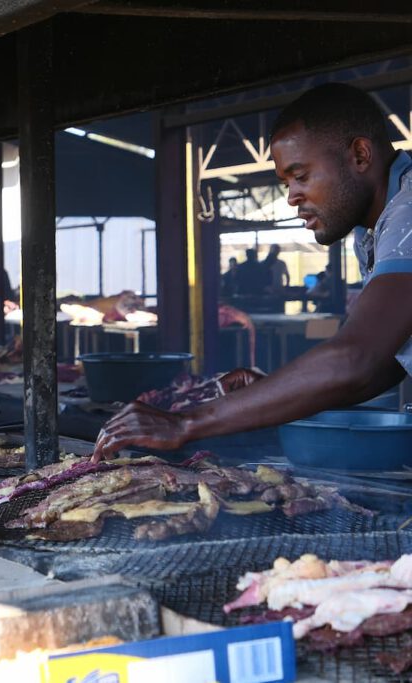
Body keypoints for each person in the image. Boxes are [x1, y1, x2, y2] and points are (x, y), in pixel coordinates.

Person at [94, 82, 412, 460]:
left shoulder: (407, 212)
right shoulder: (376, 225)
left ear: (360, 155)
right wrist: (280, 392)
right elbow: (386, 361)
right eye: (286, 182)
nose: (291, 196)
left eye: (302, 175)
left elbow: (356, 359)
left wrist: (186, 422)